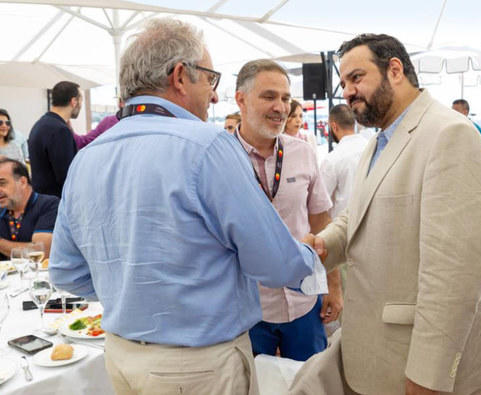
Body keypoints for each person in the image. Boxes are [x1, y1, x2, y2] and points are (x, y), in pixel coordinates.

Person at [49, 19, 319, 395]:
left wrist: (132, 291)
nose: (212, 96)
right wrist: (310, 255)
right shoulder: (208, 146)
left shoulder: (87, 158)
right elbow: (274, 263)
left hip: (121, 357)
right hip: (196, 367)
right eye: (210, 79)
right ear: (179, 76)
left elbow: (65, 272)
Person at [291, 34, 481, 395]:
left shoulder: (451, 134)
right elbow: (358, 215)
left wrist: (429, 377)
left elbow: (454, 276)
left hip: (420, 367)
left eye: (356, 77)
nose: (347, 92)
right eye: (344, 82)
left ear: (394, 70)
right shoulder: (379, 141)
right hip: (377, 353)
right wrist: (324, 244)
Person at [234, 59, 341, 361]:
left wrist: (333, 286)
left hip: (305, 299)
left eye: (285, 98)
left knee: (311, 383)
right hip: (248, 309)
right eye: (269, 96)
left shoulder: (303, 152)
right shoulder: (219, 157)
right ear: (240, 99)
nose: (280, 107)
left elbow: (322, 223)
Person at [28, 81, 79, 197]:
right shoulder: (60, 130)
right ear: (74, 101)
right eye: (80, 101)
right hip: (55, 204)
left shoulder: (40, 125)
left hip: (42, 202)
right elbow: (67, 177)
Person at [0, 158, 57, 260]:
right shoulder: (3, 210)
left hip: (41, 275)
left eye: (2, 183)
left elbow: (41, 252)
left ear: (22, 182)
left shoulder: (49, 205)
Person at [320, 104, 369, 219]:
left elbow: (321, 203)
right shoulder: (371, 147)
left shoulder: (332, 160)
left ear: (334, 127)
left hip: (342, 228)